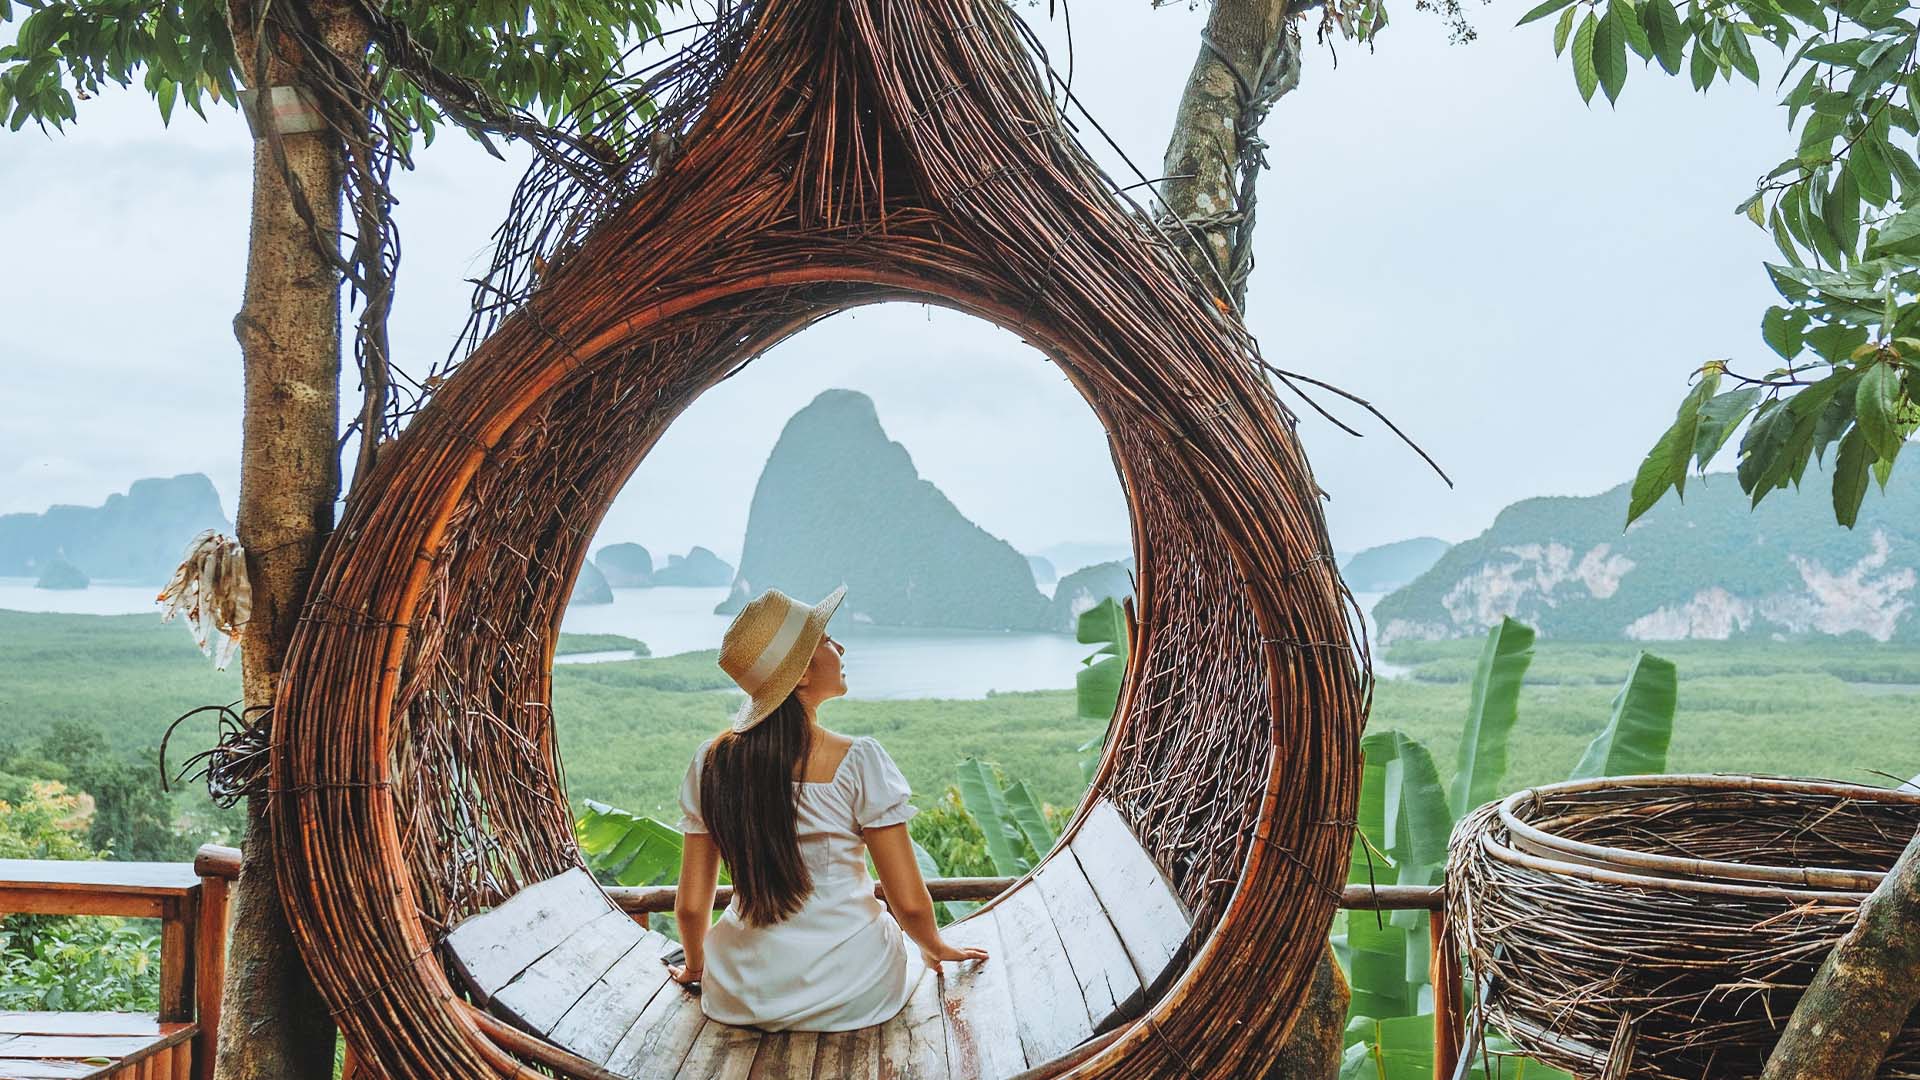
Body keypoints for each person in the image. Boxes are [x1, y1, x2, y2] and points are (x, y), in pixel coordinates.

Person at [667, 585, 990, 1031]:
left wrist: (696, 969)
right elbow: (909, 902)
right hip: (855, 990)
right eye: (826, 640)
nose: (839, 647)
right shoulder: (859, 760)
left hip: (743, 994)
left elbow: (690, 905)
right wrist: (932, 944)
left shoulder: (710, 762)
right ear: (799, 674)